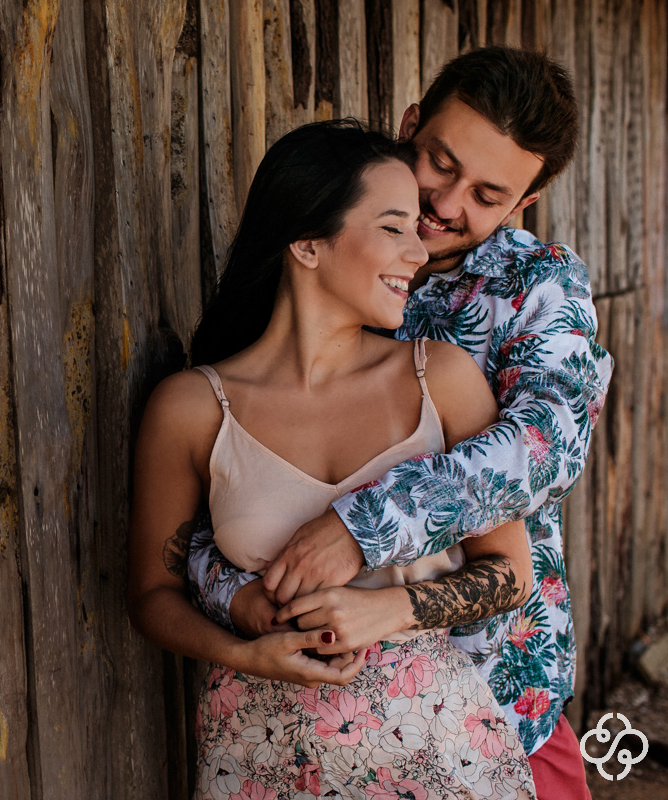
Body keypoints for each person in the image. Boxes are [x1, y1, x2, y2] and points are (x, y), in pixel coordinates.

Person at [189, 47, 612, 800]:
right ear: (411, 123)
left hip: (493, 691)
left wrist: (365, 527)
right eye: (439, 162)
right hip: (311, 723)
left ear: (526, 200)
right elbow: (225, 481)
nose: (443, 203)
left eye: (487, 194)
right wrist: (244, 596)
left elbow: (543, 451)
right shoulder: (319, 256)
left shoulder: (539, 290)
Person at [129, 119, 537, 798]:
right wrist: (244, 651)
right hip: (261, 757)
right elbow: (152, 594)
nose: (419, 251)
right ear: (308, 242)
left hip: (440, 753)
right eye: (393, 227)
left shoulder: (441, 380)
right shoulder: (193, 408)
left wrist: (389, 611)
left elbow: (512, 574)